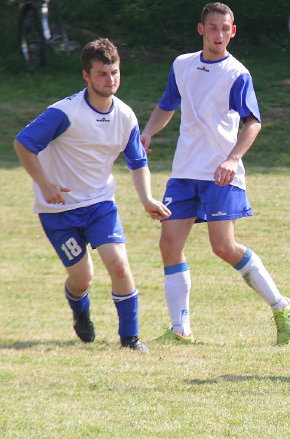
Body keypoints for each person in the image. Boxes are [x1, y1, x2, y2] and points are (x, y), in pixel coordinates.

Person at [140, 3, 290, 346]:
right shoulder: (182, 65)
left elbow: (253, 122)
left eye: (224, 28)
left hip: (220, 173)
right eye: (212, 28)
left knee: (223, 247)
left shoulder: (237, 73)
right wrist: (149, 132)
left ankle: (281, 304)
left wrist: (232, 159)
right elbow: (168, 104)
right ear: (201, 29)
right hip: (184, 171)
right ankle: (180, 328)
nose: (218, 34)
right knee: (169, 243)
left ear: (233, 31)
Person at [13, 38, 171, 352]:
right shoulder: (65, 113)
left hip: (99, 204)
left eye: (114, 72)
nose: (110, 79)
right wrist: (45, 184)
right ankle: (79, 310)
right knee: (82, 278)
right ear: (86, 76)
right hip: (58, 211)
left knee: (119, 265)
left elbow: (138, 162)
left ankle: (130, 338)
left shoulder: (125, 116)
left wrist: (147, 199)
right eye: (101, 74)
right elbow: (23, 143)